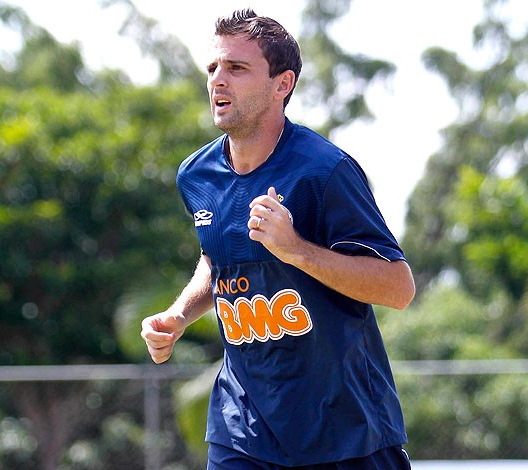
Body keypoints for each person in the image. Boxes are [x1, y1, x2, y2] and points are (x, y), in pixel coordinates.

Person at [141, 8, 416, 470]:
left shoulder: (325, 172)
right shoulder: (196, 175)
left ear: (282, 84)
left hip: (346, 433)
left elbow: (398, 287)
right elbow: (218, 259)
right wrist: (179, 313)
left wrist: (296, 251)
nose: (218, 81)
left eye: (237, 68)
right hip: (244, 429)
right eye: (213, 68)